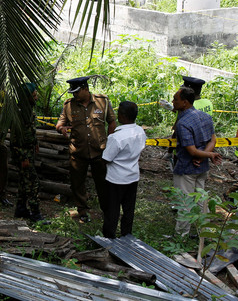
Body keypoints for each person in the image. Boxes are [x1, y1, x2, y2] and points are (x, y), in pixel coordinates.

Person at [56, 76, 117, 223]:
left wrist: (110, 141)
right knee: (77, 183)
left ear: (85, 89)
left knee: (103, 182)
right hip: (78, 151)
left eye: (76, 92)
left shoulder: (102, 101)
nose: (74, 95)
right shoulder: (69, 105)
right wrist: (61, 129)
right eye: (72, 93)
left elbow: (112, 121)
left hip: (99, 152)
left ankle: (106, 210)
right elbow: (59, 124)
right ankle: (82, 211)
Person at [172, 87, 221, 237]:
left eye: (176, 99)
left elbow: (191, 151)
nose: (173, 102)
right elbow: (213, 140)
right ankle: (205, 233)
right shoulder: (205, 116)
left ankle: (182, 236)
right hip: (202, 167)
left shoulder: (183, 123)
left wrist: (202, 155)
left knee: (185, 203)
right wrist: (205, 155)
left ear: (185, 103)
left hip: (187, 168)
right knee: (201, 201)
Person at [101, 101, 147, 238]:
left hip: (116, 179)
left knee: (112, 210)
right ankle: (126, 235)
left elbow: (106, 158)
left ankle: (109, 236)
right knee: (128, 209)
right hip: (132, 176)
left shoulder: (116, 137)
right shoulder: (140, 131)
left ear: (122, 116)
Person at [9, 83, 45, 222]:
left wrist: (35, 142)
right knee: (32, 182)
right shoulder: (20, 113)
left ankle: (21, 209)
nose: (36, 98)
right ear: (26, 97)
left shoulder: (28, 110)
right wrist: (24, 157)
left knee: (24, 182)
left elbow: (29, 131)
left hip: (28, 151)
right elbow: (16, 138)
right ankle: (36, 215)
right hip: (22, 154)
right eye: (34, 95)